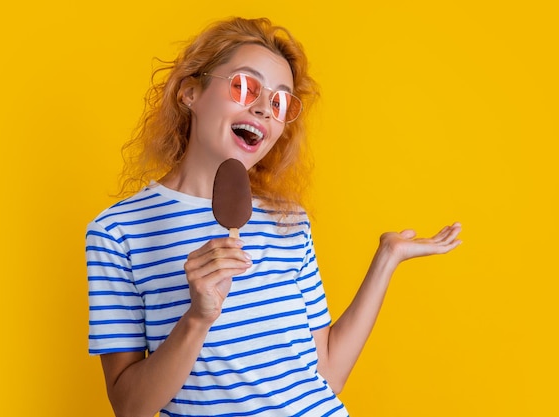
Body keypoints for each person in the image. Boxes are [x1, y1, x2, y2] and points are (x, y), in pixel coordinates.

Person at [85, 17, 462, 417]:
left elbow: (327, 375)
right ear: (189, 92)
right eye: (245, 86)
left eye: (281, 101)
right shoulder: (116, 233)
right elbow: (130, 408)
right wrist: (197, 318)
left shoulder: (289, 221)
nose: (265, 108)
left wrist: (387, 259)